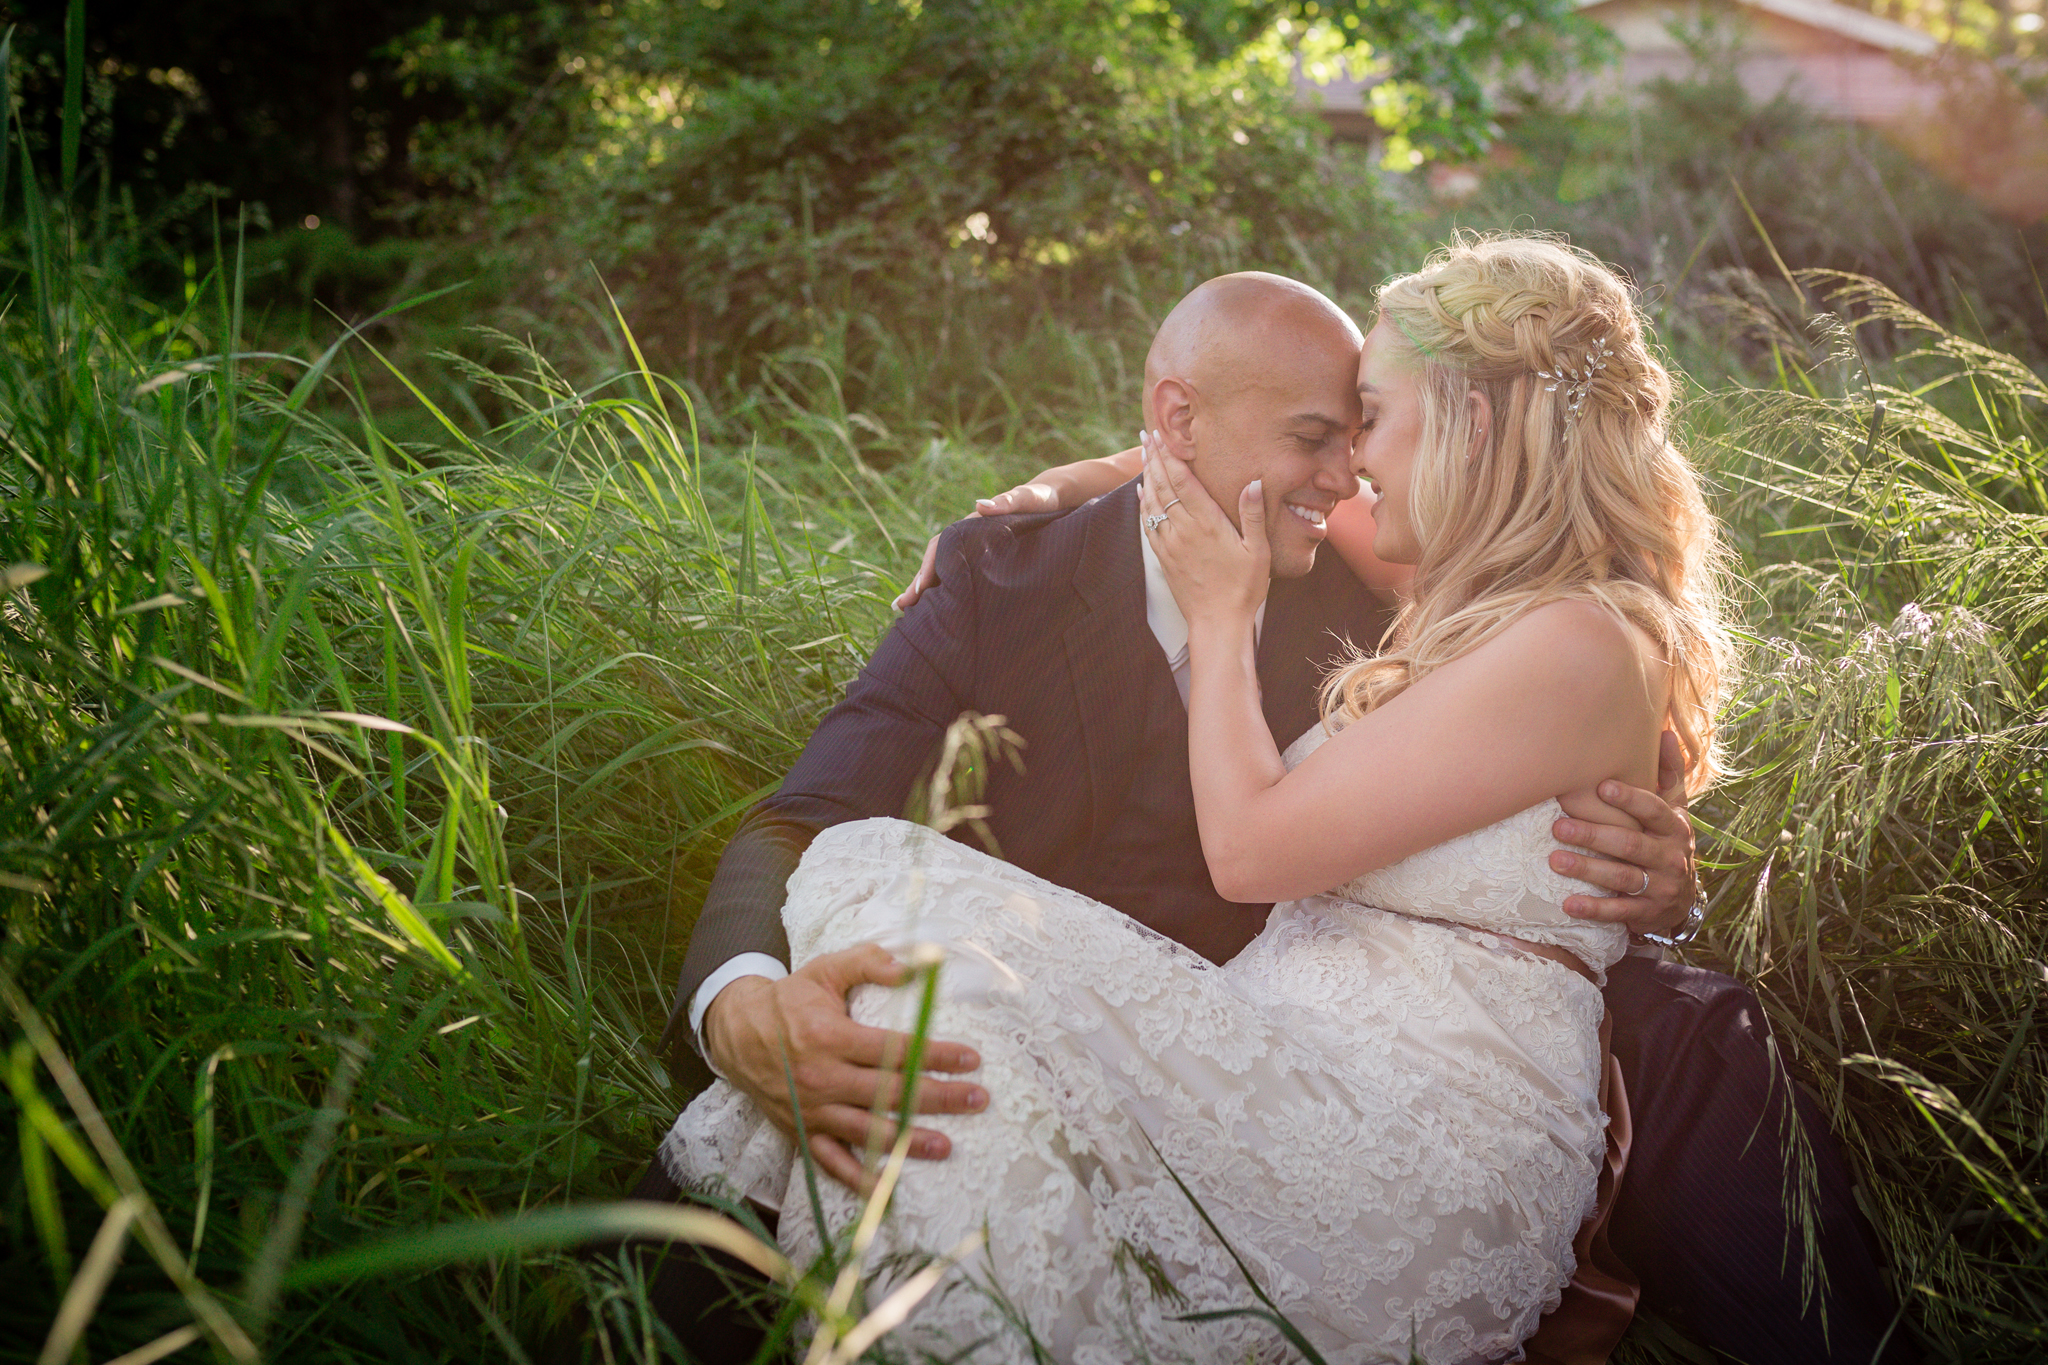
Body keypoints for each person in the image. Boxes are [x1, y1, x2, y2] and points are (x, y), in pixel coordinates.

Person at [636, 254, 1906, 1362]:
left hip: (1371, 1123)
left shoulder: (1393, 587)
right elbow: (798, 817)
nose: (1348, 468)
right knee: (905, 966)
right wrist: (738, 1002)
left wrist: (1219, 613)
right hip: (1255, 1060)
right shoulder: (1004, 579)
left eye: (1368, 423)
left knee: (918, 939)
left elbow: (1276, 835)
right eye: (1326, 431)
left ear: (1467, 429)